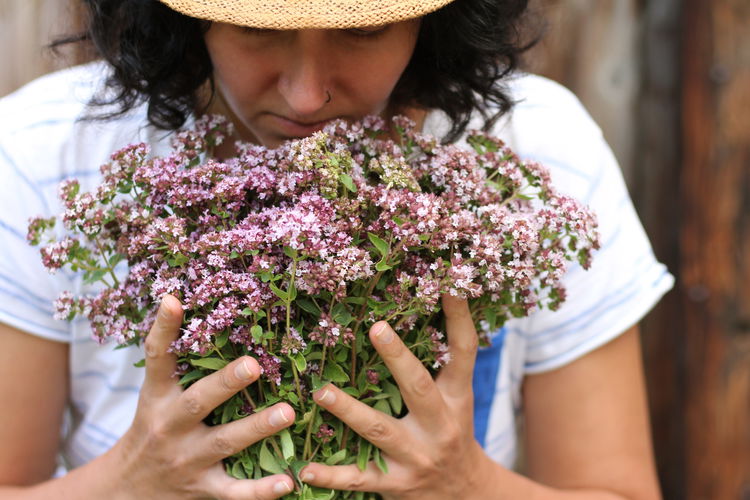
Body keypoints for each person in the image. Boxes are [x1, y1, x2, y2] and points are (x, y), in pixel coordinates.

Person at [0, 0, 673, 498]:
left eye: (362, 31)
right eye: (258, 29)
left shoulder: (541, 150)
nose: (307, 93)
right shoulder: (44, 152)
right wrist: (126, 482)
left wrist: (471, 486)